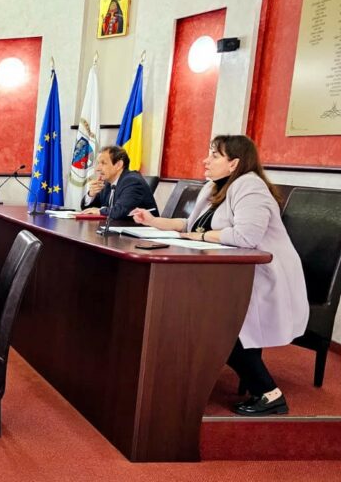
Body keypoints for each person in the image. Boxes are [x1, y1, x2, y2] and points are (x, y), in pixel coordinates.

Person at [131, 135, 308, 416]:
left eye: (214, 155)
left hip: (262, 275)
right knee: (203, 316)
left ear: (234, 163)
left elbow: (246, 236)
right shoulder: (215, 187)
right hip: (227, 273)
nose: (206, 160)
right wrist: (152, 221)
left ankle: (269, 394)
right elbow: (189, 225)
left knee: (219, 325)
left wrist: (200, 236)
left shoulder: (250, 186)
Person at [80, 145, 158, 220]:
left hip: (138, 228)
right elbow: (89, 210)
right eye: (98, 163)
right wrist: (91, 195)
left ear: (118, 165)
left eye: (103, 163)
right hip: (114, 226)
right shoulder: (107, 182)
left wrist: (99, 211)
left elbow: (120, 211)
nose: (97, 168)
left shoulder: (132, 182)